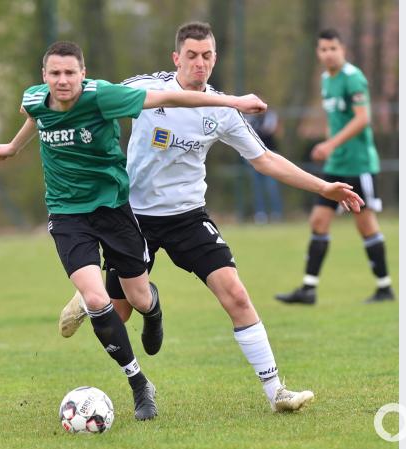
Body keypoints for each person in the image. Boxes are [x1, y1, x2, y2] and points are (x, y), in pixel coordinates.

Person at [57, 22, 364, 413]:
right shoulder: (146, 88)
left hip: (187, 217)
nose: (199, 63)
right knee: (120, 310)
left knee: (235, 293)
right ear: (176, 58)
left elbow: (265, 160)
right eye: (191, 55)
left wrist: (323, 188)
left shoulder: (222, 110)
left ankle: (277, 393)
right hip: (132, 216)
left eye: (207, 56)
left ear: (215, 59)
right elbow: (92, 101)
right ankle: (92, 298)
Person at [0, 41, 269, 421]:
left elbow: (172, 97)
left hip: (115, 210)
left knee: (138, 299)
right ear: (44, 77)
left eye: (70, 73)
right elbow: (34, 114)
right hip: (68, 215)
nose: (63, 80)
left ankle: (154, 309)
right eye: (55, 73)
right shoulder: (36, 97)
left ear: (83, 74)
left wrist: (233, 102)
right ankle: (139, 385)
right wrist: (14, 147)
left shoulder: (103, 97)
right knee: (97, 300)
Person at [275, 28, 395, 306]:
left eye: (333, 49)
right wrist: (329, 146)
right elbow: (334, 120)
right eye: (323, 49)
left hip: (358, 164)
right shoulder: (325, 80)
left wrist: (330, 144)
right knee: (318, 221)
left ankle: (384, 287)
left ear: (343, 50)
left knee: (365, 225)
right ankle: (308, 289)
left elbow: (362, 119)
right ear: (318, 53)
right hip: (336, 164)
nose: (328, 54)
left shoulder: (354, 79)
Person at [244, 109, 284, 223]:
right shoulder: (249, 118)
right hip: (255, 159)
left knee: (272, 188)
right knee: (257, 189)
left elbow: (269, 131)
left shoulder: (271, 116)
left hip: (270, 157)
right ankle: (260, 214)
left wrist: (258, 131)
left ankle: (276, 214)